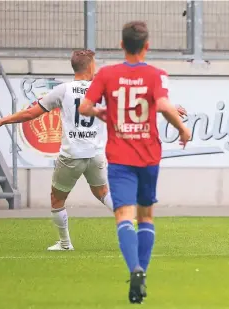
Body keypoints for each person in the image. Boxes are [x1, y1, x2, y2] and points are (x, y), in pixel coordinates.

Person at [78, 21, 191, 304]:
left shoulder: (106, 74)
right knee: (146, 217)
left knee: (123, 217)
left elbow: (84, 107)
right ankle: (143, 271)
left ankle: (134, 269)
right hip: (149, 156)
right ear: (147, 47)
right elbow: (164, 106)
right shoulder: (156, 75)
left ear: (121, 45)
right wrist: (182, 128)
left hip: (120, 159)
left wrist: (102, 111)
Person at [0, 50, 113, 251]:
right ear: (90, 66)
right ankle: (129, 223)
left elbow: (30, 113)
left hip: (72, 155)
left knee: (57, 198)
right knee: (103, 193)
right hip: (95, 154)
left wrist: (1, 120)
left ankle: (65, 244)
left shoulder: (63, 90)